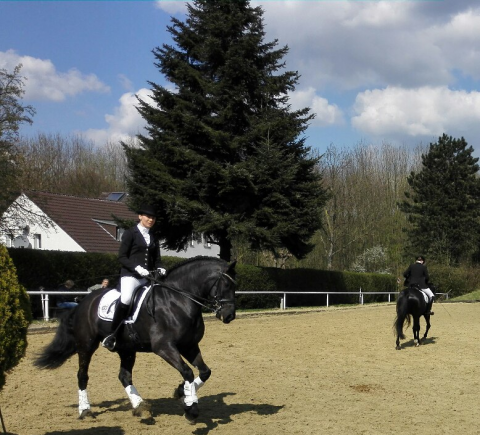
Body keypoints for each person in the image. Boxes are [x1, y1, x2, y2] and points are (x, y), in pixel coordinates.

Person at [102, 204, 166, 351]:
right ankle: (112, 334)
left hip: (147, 277)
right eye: (148, 216)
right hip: (130, 276)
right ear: (140, 216)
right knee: (126, 298)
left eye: (153, 218)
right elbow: (122, 257)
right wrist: (137, 268)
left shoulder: (153, 237)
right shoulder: (130, 233)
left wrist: (161, 267)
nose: (151, 219)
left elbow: (157, 259)